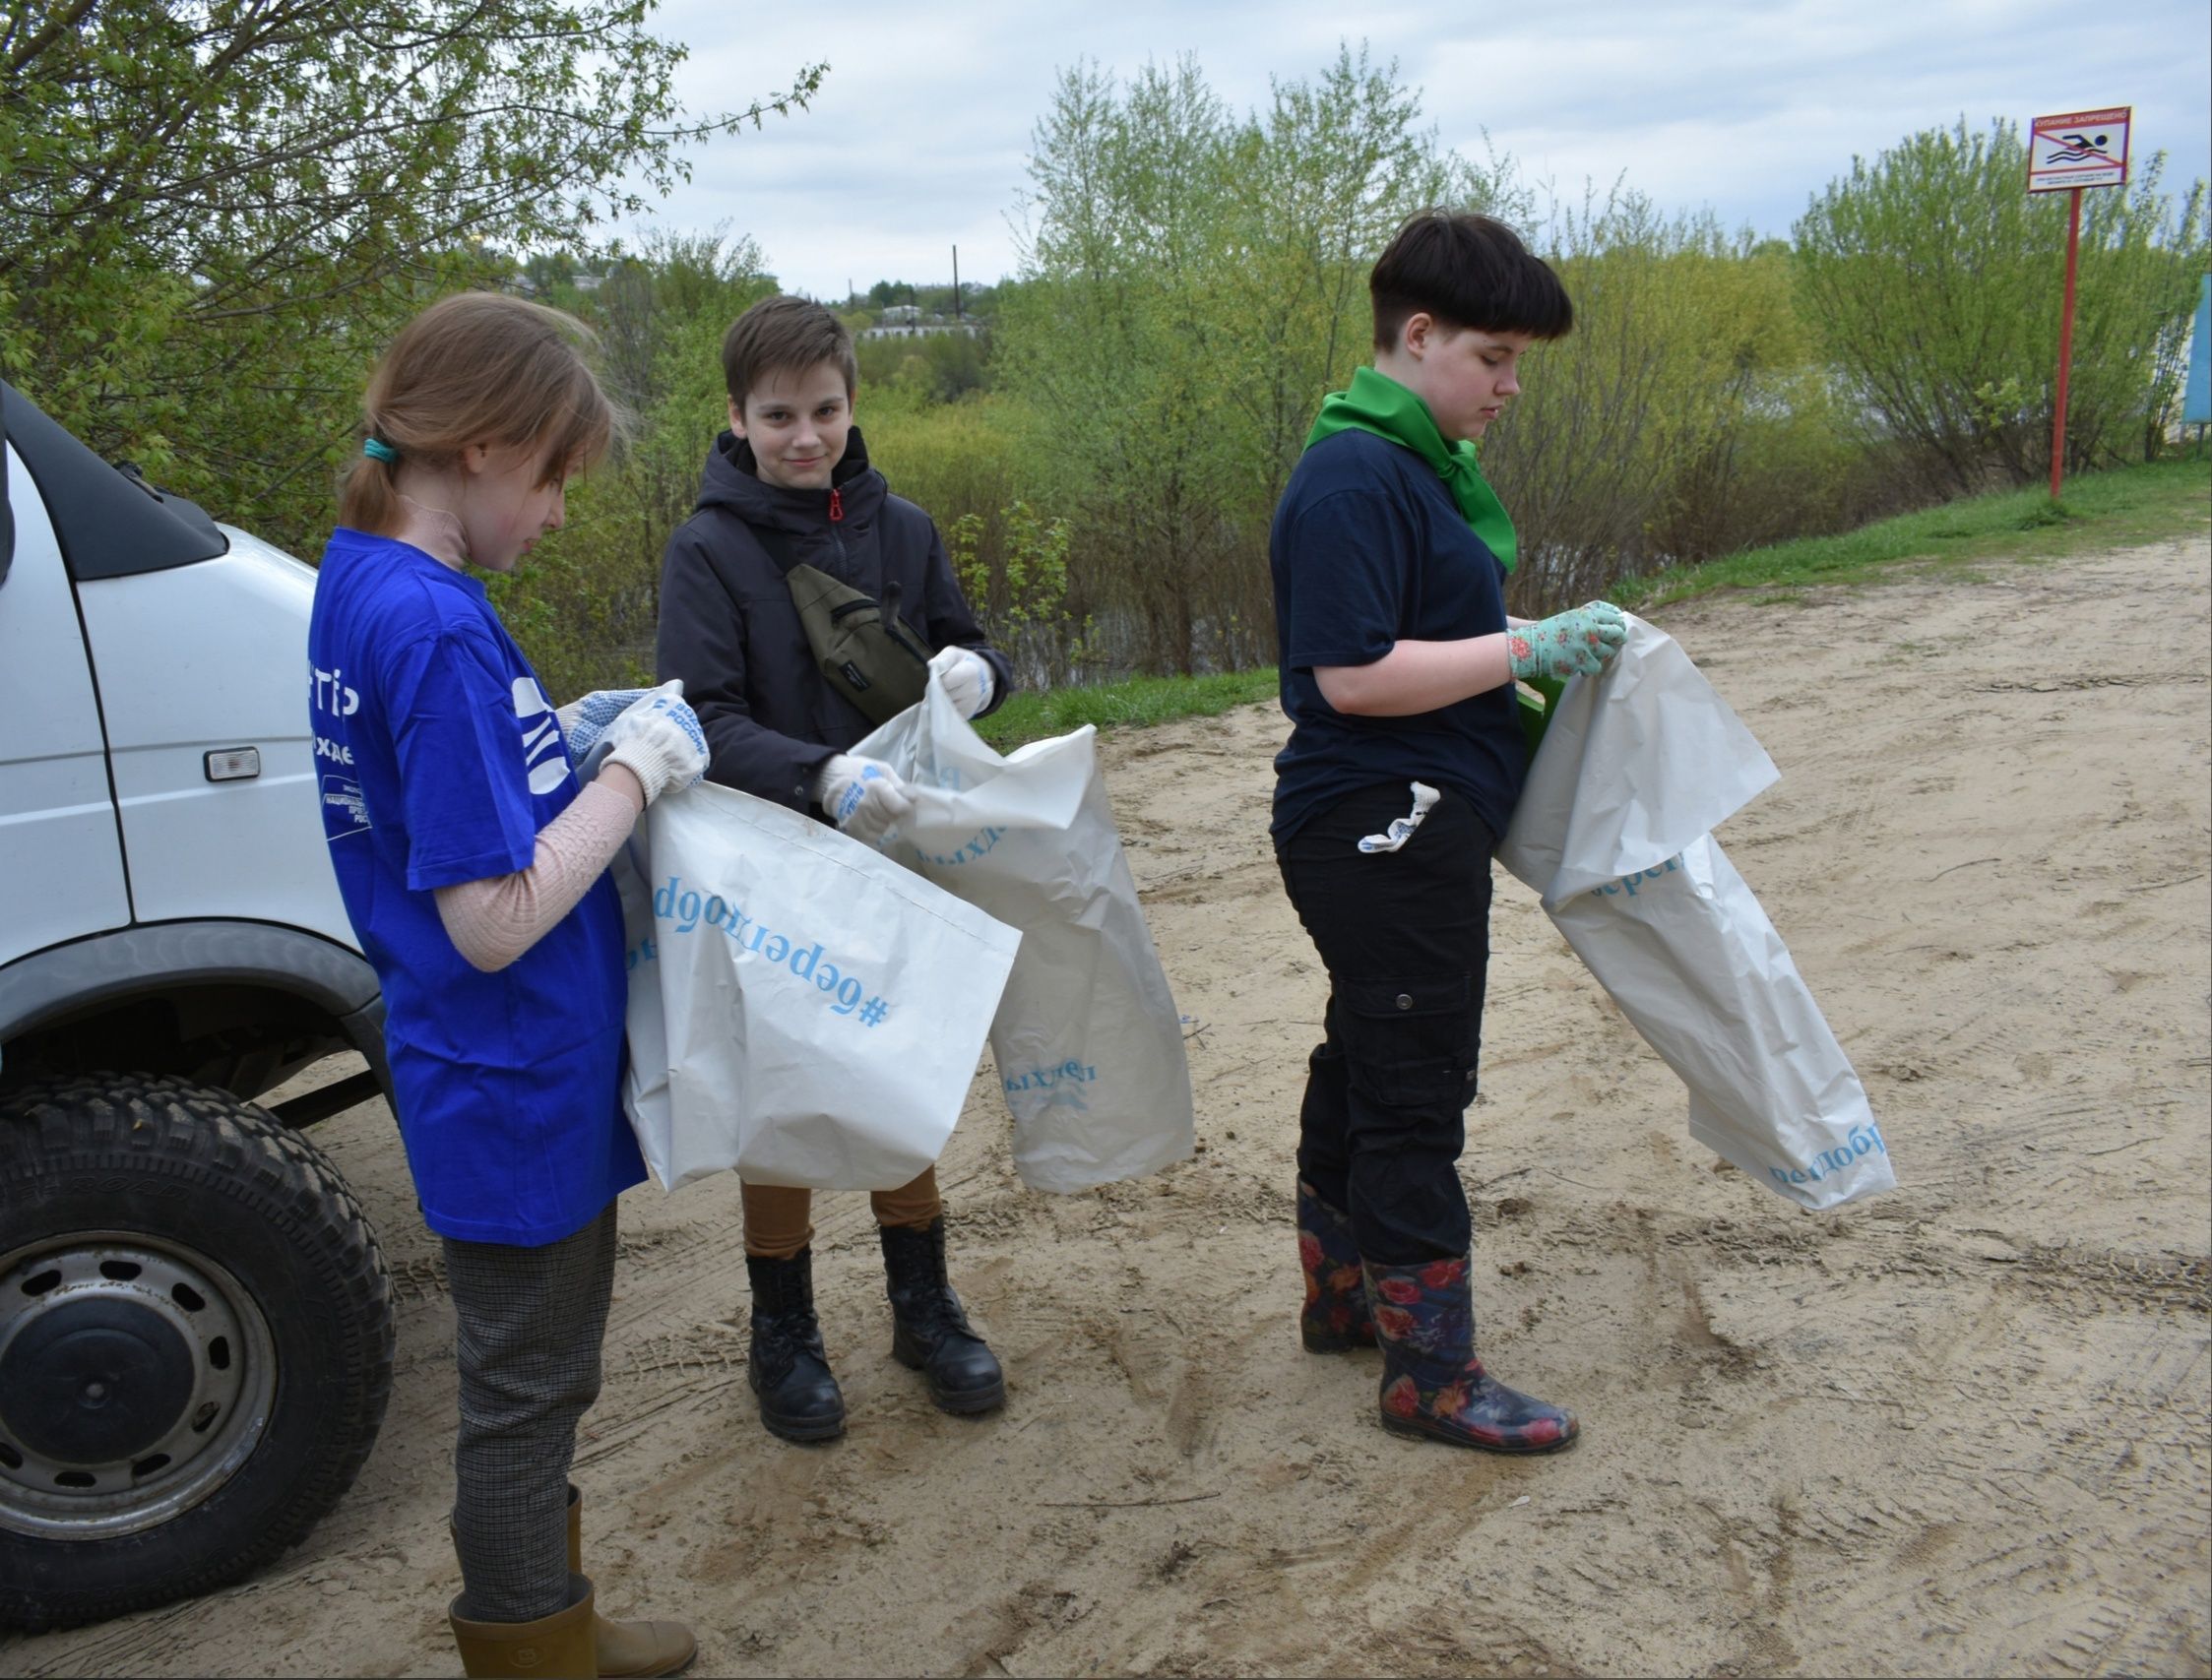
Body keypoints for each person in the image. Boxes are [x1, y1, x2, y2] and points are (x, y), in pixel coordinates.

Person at [309, 292, 709, 1676]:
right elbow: (492, 917)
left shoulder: (364, 571)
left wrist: (572, 735)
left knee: (539, 1374)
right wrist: (633, 774)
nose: (555, 514)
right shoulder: (431, 625)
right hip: (508, 1073)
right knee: (528, 1389)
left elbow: (444, 791)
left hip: (494, 1062)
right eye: (551, 478)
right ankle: (533, 1642)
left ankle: (558, 1615)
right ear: (479, 445)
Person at [1270, 212, 1626, 1454]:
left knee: (1367, 1055)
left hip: (1403, 819)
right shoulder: (1354, 476)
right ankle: (1429, 1374)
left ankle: (1342, 1300)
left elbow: (1425, 634)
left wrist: (1525, 654)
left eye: (1518, 361)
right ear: (1418, 336)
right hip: (1383, 823)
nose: (1511, 386)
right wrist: (1529, 646)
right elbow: (1354, 674)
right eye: (1495, 357)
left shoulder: (1413, 468)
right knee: (1415, 1090)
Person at [656, 293, 1011, 1443]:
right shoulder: (707, 551)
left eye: (823, 410)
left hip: (899, 846)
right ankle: (785, 1332)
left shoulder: (903, 530)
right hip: (770, 855)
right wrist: (821, 775)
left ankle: (923, 1306)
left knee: (899, 1067)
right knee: (786, 1085)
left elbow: (975, 645)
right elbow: (699, 720)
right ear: (736, 416)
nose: (803, 437)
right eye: (778, 416)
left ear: (852, 403)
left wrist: (980, 678)